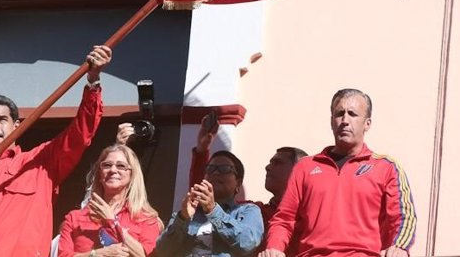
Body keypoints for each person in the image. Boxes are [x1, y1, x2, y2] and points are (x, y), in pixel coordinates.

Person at [0, 45, 112, 257]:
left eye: (2, 119)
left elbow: (79, 134)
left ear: (16, 125)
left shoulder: (40, 162)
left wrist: (93, 82)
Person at [260, 88, 417, 257]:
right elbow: (284, 218)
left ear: (367, 124)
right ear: (331, 121)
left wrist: (399, 247)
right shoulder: (305, 167)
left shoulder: (386, 167)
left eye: (353, 114)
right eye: (339, 113)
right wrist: (274, 248)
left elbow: (403, 217)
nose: (345, 120)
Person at [58, 144, 162, 257]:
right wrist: (96, 254)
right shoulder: (74, 218)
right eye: (107, 165)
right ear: (99, 174)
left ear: (132, 175)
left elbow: (147, 255)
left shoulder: (146, 218)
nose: (113, 170)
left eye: (121, 166)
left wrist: (112, 222)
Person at [155, 150, 264, 256]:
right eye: (210, 169)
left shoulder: (248, 210)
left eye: (225, 169)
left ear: (238, 183)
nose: (216, 172)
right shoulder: (186, 213)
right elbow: (163, 251)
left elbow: (247, 243)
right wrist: (183, 218)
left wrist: (213, 211)